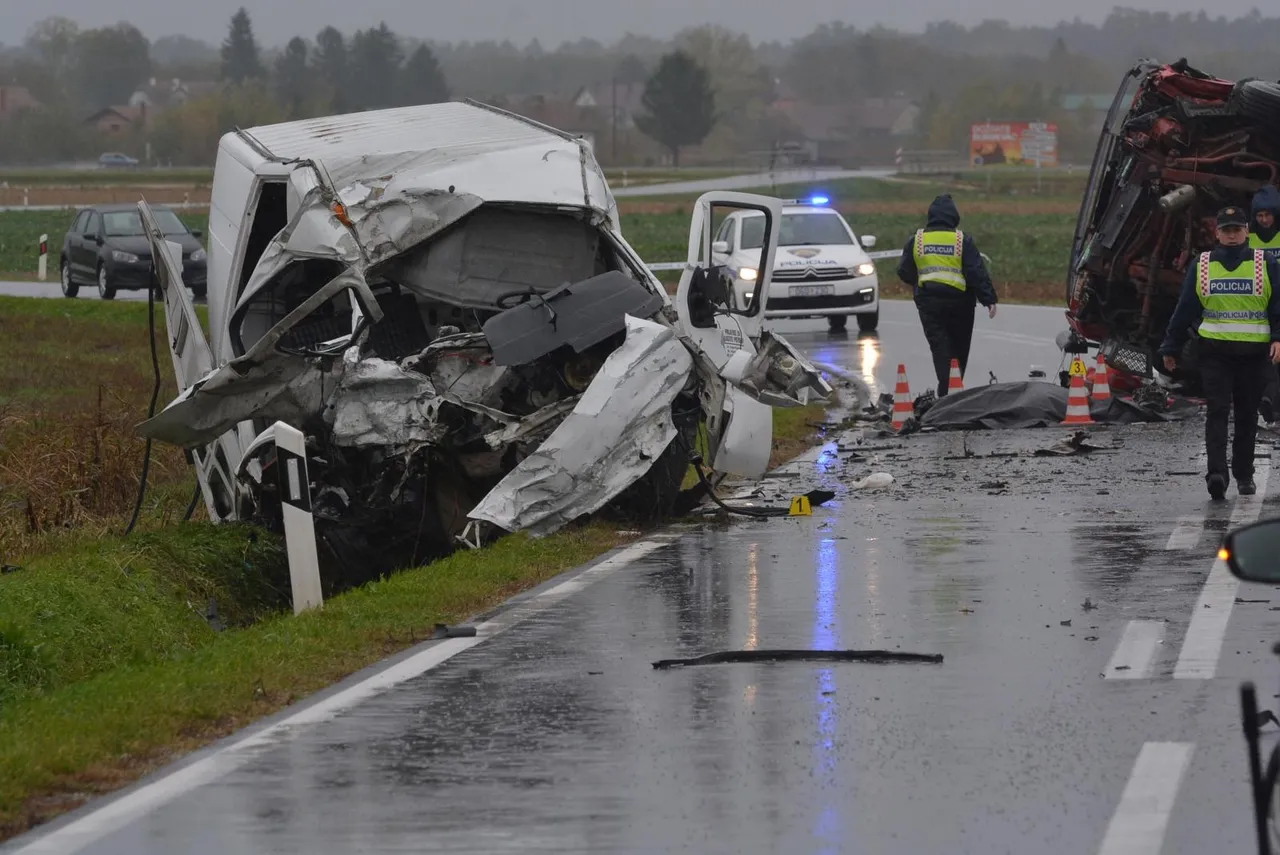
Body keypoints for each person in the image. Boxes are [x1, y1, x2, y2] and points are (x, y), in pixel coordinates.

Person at [1160, 205, 1280, 500]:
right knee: (1217, 410)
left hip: (1253, 355)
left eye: (1237, 230)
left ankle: (1243, 473)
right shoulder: (1202, 265)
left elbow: (1277, 304)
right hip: (1215, 354)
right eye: (1226, 230)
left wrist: (1278, 337)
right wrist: (1170, 346)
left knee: (1247, 415)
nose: (1231, 235)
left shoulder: (1265, 263)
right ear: (1217, 233)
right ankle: (1217, 474)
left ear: (1246, 232)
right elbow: (1186, 308)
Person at [896, 194, 998, 396]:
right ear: (954, 217)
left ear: (931, 216)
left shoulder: (917, 240)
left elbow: (904, 271)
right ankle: (954, 389)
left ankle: (947, 391)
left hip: (929, 304)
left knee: (940, 347)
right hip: (961, 303)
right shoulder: (962, 240)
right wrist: (989, 299)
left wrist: (919, 285)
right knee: (959, 348)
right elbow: (976, 271)